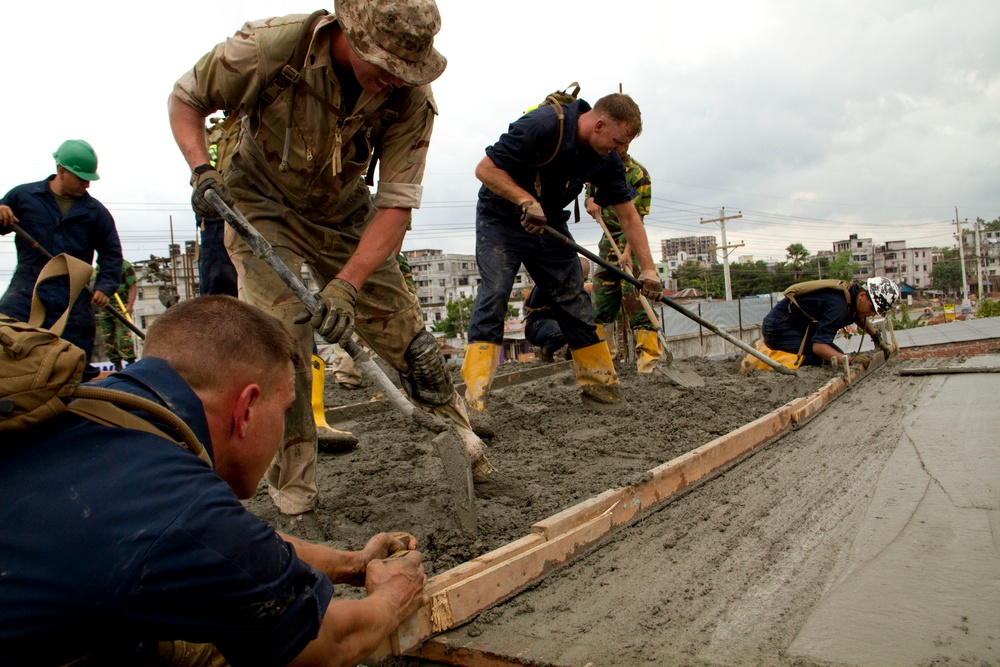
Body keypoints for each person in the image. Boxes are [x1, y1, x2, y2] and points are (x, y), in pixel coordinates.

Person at [168, 0, 493, 515]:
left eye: (405, 70)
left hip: (345, 214)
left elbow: (394, 204)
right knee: (281, 340)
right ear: (350, 35)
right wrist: (201, 169)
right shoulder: (269, 48)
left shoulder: (408, 96)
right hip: (259, 202)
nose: (394, 78)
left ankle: (465, 446)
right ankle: (294, 484)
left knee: (411, 343)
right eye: (385, 66)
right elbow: (186, 98)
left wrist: (348, 283)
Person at [0, 295, 427, 667]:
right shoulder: (178, 507)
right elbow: (328, 643)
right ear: (246, 409)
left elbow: (227, 546)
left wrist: (350, 562)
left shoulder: (89, 405)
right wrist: (393, 598)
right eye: (285, 410)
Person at [462, 93, 663, 432]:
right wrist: (525, 200)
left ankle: (601, 389)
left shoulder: (607, 159)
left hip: (550, 224)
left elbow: (628, 215)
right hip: (501, 218)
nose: (618, 152)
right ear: (598, 124)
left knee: (575, 300)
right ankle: (474, 399)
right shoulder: (543, 125)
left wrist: (648, 269)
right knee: (495, 294)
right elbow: (485, 169)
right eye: (616, 142)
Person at [0, 139, 123, 373]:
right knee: (6, 333)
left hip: (72, 293)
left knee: (74, 356)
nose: (86, 184)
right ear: (62, 171)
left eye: (89, 178)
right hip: (28, 286)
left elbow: (111, 252)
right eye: (81, 178)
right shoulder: (23, 197)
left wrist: (105, 287)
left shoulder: (95, 213)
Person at [585, 149, 664, 373]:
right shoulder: (598, 165)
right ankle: (605, 364)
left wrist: (629, 251)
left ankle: (649, 363)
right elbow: (589, 193)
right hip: (607, 240)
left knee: (636, 300)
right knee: (601, 301)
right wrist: (590, 201)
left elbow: (636, 218)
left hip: (630, 242)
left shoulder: (639, 174)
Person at [761, 276, 899, 367]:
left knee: (836, 355)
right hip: (778, 328)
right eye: (872, 308)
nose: (871, 314)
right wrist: (850, 360)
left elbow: (858, 316)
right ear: (863, 295)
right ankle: (762, 360)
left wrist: (876, 336)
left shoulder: (852, 296)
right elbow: (819, 347)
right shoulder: (838, 307)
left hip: (798, 328)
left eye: (875, 312)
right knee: (821, 360)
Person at [524, 257, 591, 362]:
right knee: (563, 330)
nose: (581, 282)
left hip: (555, 324)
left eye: (584, 280)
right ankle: (546, 353)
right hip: (536, 328)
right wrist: (598, 286)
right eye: (580, 279)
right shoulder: (550, 280)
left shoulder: (573, 289)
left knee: (586, 327)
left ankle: (572, 357)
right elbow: (570, 290)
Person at [95, 257, 138, 370]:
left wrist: (130, 304)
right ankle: (117, 365)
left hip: (121, 306)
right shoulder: (100, 267)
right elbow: (96, 282)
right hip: (106, 305)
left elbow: (132, 286)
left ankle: (131, 363)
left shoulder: (125, 266)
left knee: (123, 337)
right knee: (107, 338)